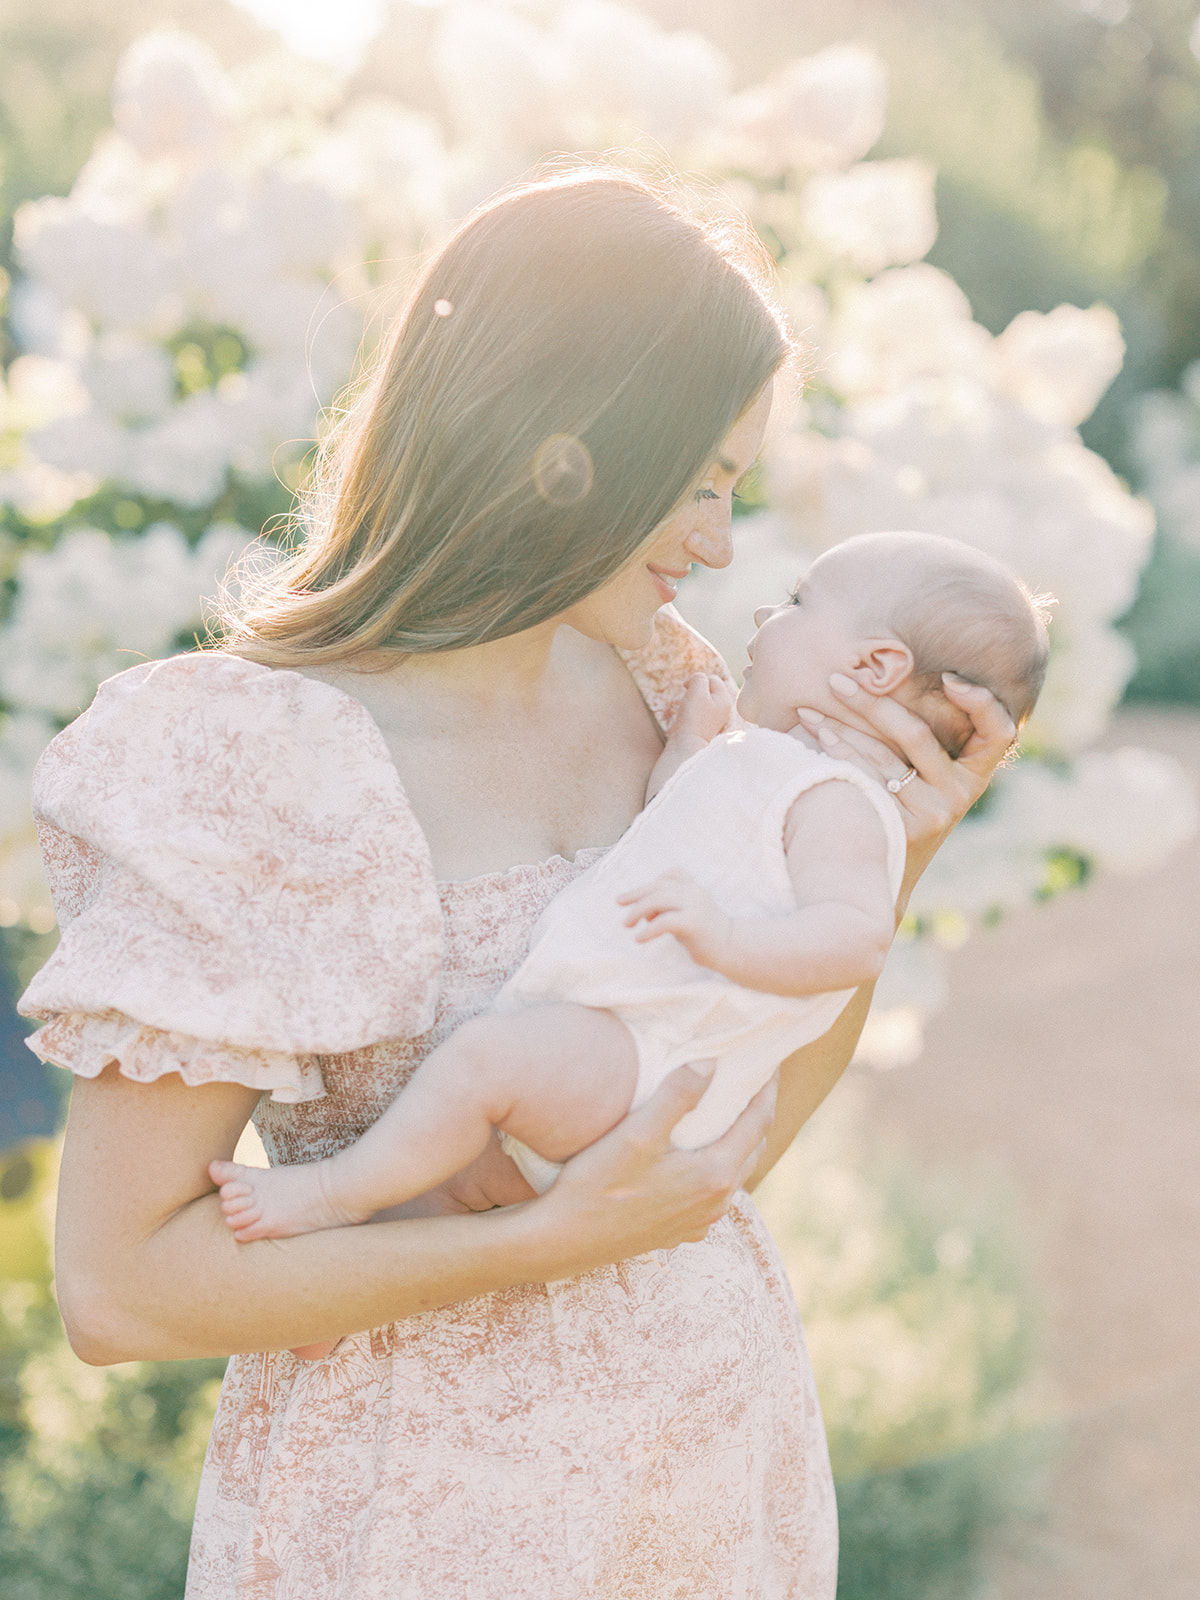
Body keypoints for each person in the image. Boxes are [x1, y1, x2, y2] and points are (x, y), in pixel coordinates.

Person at [20, 171, 1016, 1600]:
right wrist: (551, 1244)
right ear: (569, 443)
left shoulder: (666, 692)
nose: (723, 545)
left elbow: (713, 1148)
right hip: (422, 1514)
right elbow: (120, 1289)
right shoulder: (244, 754)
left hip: (707, 1468)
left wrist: (886, 861)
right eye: (703, 483)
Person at [207, 530, 1048, 1259]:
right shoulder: (762, 761)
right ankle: (340, 1291)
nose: (764, 616)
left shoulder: (843, 805)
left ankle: (329, 1197)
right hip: (618, 1037)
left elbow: (854, 938)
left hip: (649, 1055)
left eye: (797, 602)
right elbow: (675, 830)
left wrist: (724, 937)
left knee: (480, 1066)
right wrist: (688, 753)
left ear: (875, 665)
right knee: (462, 1178)